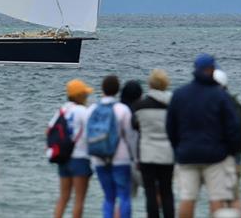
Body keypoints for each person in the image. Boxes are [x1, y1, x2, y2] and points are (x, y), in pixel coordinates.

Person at [166, 54, 241, 218]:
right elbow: (233, 128)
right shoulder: (221, 96)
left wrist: (178, 148)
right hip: (215, 156)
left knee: (187, 199)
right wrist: (230, 150)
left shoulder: (179, 94)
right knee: (217, 198)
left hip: (187, 154)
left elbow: (170, 127)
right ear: (212, 70)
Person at [87, 75, 133, 218]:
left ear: (102, 89)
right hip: (121, 159)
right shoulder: (123, 109)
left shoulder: (92, 109)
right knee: (124, 196)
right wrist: (135, 158)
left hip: (99, 157)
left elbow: (87, 136)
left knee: (108, 197)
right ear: (118, 90)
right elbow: (130, 137)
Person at [132, 69, 175, 218]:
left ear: (150, 84)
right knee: (167, 193)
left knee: (150, 193)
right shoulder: (173, 106)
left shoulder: (140, 106)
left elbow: (134, 125)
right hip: (167, 154)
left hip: (147, 154)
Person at [50, 79, 93, 218]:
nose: (87, 96)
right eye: (85, 94)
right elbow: (91, 132)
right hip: (80, 158)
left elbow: (49, 130)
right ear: (80, 95)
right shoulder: (82, 111)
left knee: (63, 198)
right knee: (78, 200)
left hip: (63, 157)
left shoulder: (62, 110)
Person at [213, 68, 241, 216]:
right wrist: (238, 151)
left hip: (216, 158)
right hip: (235, 158)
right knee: (234, 196)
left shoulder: (212, 106)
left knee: (217, 198)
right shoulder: (238, 106)